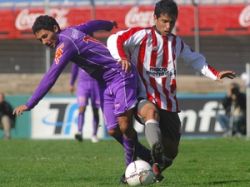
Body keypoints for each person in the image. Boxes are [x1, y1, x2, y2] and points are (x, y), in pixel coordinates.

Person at [107, 0, 236, 182]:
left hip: (168, 101)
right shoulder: (142, 35)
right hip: (144, 95)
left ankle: (150, 166)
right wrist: (121, 57)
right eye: (164, 21)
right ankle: (153, 150)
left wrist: (216, 74)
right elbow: (115, 38)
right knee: (150, 113)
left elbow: (195, 59)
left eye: (172, 22)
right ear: (155, 18)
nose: (168, 26)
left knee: (172, 151)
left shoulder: (176, 43)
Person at [12, 16, 152, 180]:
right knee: (113, 129)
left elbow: (50, 77)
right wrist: (109, 24)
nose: (44, 42)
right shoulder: (72, 31)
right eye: (40, 40)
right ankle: (146, 155)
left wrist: (30, 103)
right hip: (105, 83)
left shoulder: (65, 45)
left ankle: (130, 170)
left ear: (55, 29)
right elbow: (91, 24)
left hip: (120, 74)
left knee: (124, 125)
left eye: (45, 36)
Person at [69, 20, 117, 143]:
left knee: (96, 109)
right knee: (81, 107)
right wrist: (71, 83)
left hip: (96, 82)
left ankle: (94, 134)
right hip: (83, 84)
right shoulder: (77, 46)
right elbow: (74, 67)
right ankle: (79, 131)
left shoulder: (96, 45)